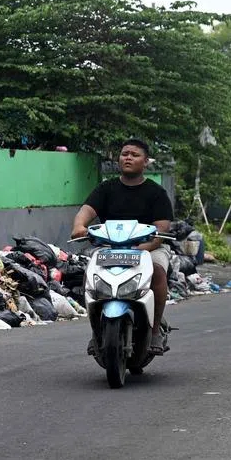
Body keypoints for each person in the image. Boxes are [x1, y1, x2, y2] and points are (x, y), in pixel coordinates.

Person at [71, 138, 174, 354]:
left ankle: (154, 331)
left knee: (157, 271)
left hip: (148, 247)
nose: (128, 157)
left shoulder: (157, 193)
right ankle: (96, 332)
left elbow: (160, 232)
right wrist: (80, 226)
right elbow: (86, 211)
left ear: (145, 162)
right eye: (125, 153)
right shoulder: (106, 188)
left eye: (134, 155)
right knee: (90, 273)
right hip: (109, 247)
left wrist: (143, 248)